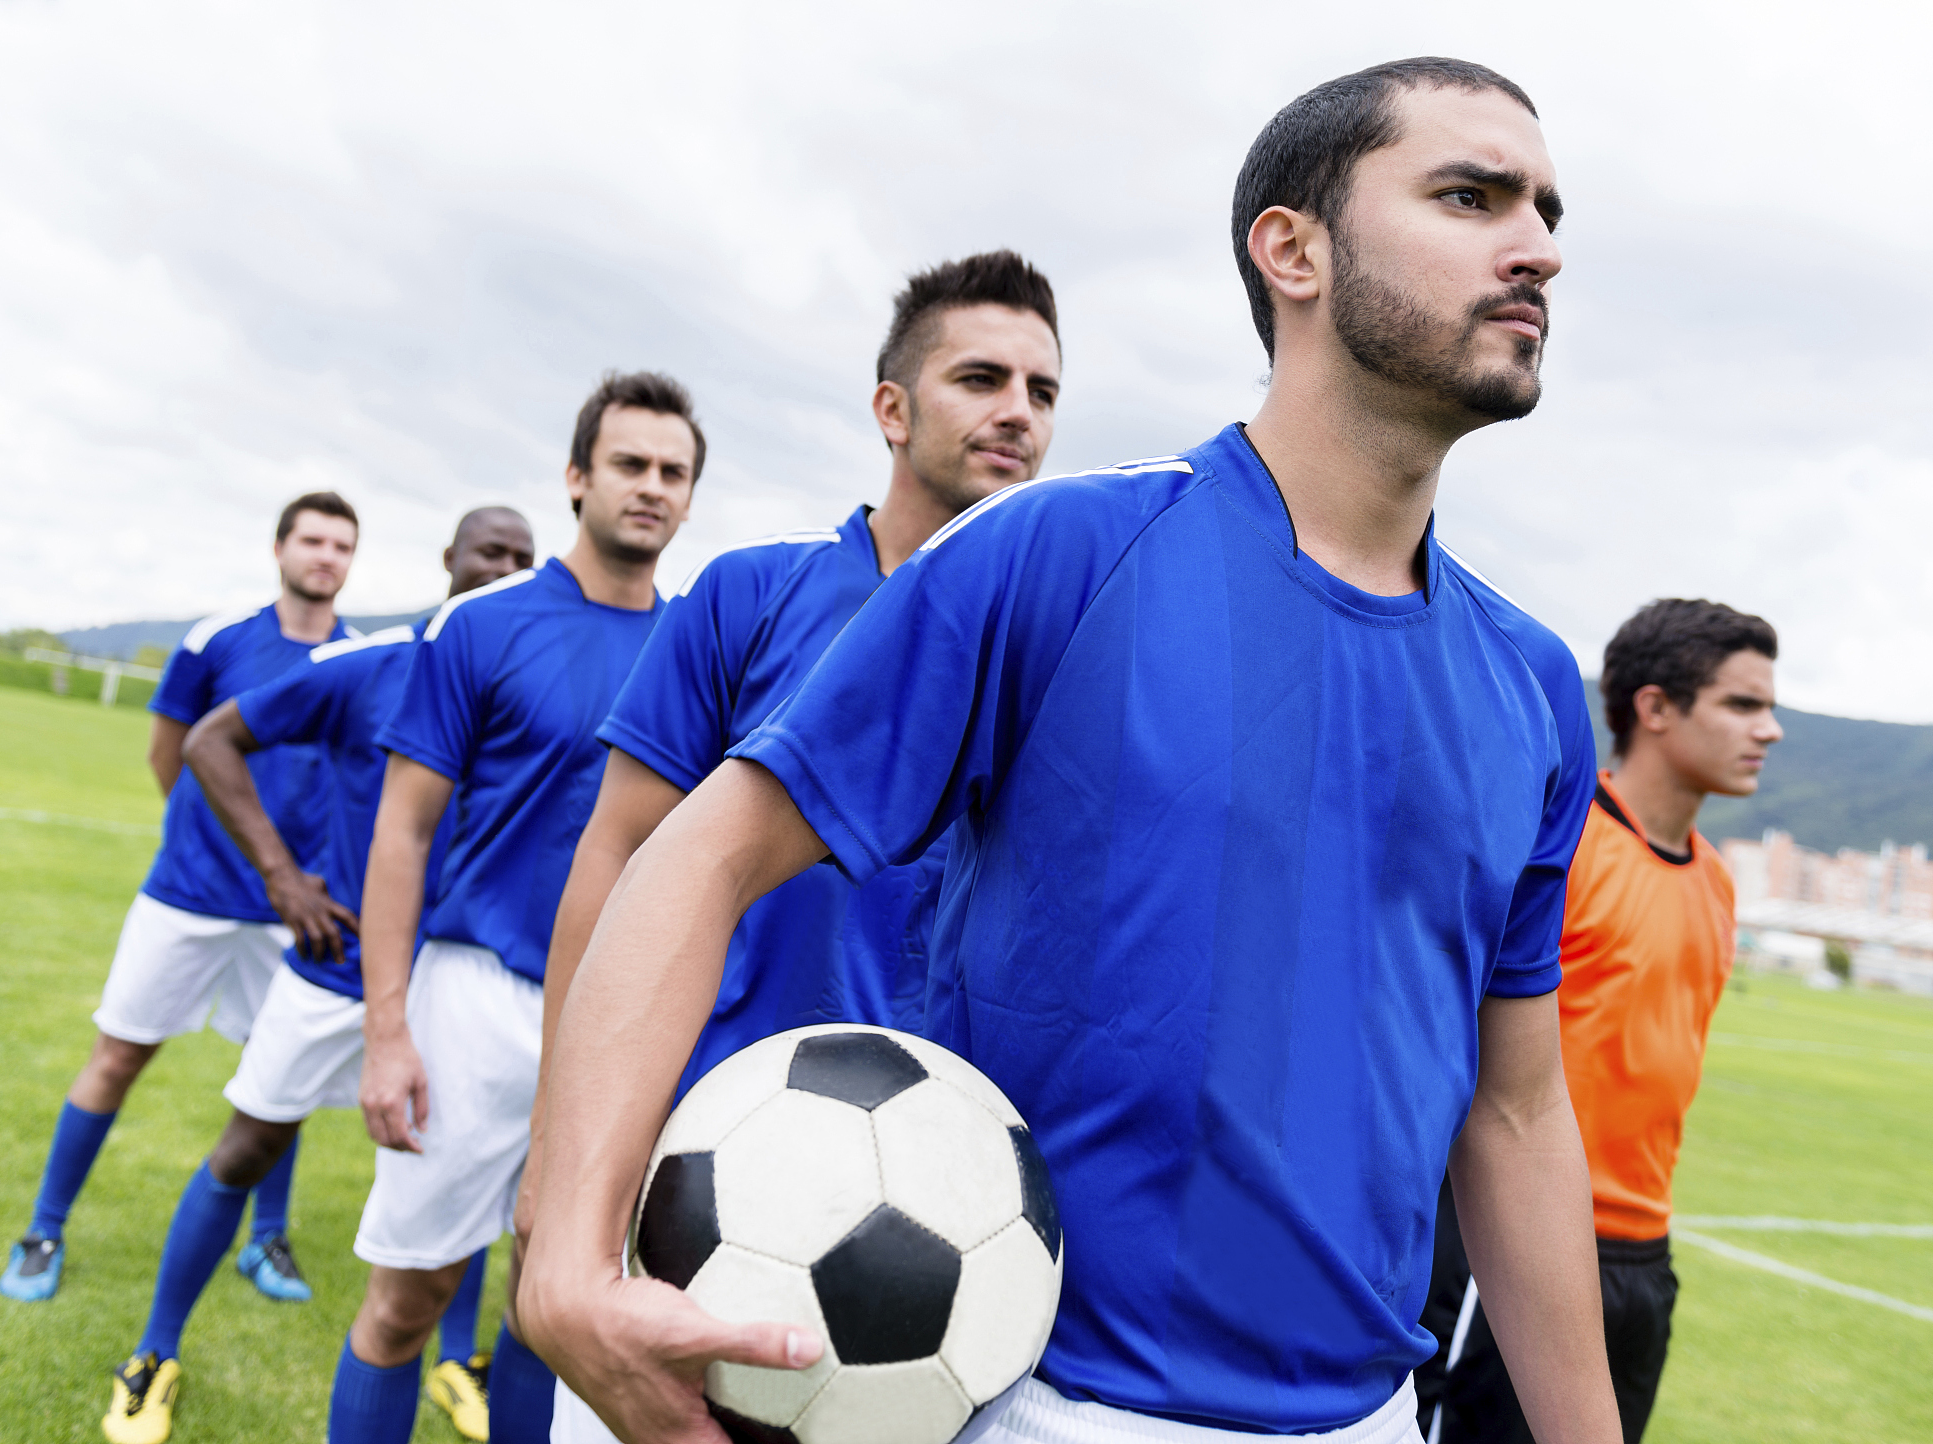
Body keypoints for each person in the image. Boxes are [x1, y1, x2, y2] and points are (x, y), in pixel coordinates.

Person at [522, 56, 1627, 1444]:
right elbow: (698, 852)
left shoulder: (1530, 687)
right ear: (1291, 249)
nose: (1538, 249)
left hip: (1367, 1415)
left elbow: (1515, 1116)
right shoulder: (1061, 554)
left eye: (1544, 210)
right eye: (1471, 196)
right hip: (1037, 1397)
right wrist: (566, 1248)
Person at [528, 251, 1060, 1441]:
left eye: (1040, 388)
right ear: (891, 408)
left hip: (940, 1206)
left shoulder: (1059, 644)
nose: (1015, 410)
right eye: (979, 376)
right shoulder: (747, 596)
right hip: (698, 1171)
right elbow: (614, 859)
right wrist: (557, 1158)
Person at [98, 508, 536, 1444]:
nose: (504, 569)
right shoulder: (369, 666)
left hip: (458, 983)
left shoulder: (526, 683)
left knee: (463, 1187)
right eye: (488, 552)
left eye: (521, 558)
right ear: (448, 561)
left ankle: (458, 1363)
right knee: (246, 1145)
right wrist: (284, 878)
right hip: (337, 970)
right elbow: (211, 739)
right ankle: (154, 1350)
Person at [327, 372, 701, 1444]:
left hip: (622, 1016)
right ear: (577, 476)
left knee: (559, 1305)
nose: (651, 488)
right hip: (474, 1001)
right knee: (406, 1300)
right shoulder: (482, 623)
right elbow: (400, 832)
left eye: (673, 473)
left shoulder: (695, 645)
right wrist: (387, 1030)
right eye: (629, 464)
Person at [1414, 600, 1781, 1444]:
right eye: (1742, 704)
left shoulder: (1720, 883)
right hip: (1523, 1247)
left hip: (1643, 1260)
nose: (1770, 730)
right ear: (1654, 709)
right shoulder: (1565, 846)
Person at [0, 492, 361, 1304]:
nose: (326, 556)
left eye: (342, 545)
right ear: (280, 548)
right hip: (187, 897)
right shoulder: (218, 640)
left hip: (291, 916)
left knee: (281, 1079)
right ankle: (43, 1228)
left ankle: (267, 1242)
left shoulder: (355, 660)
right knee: (118, 1054)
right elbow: (172, 755)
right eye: (313, 539)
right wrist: (204, 843)